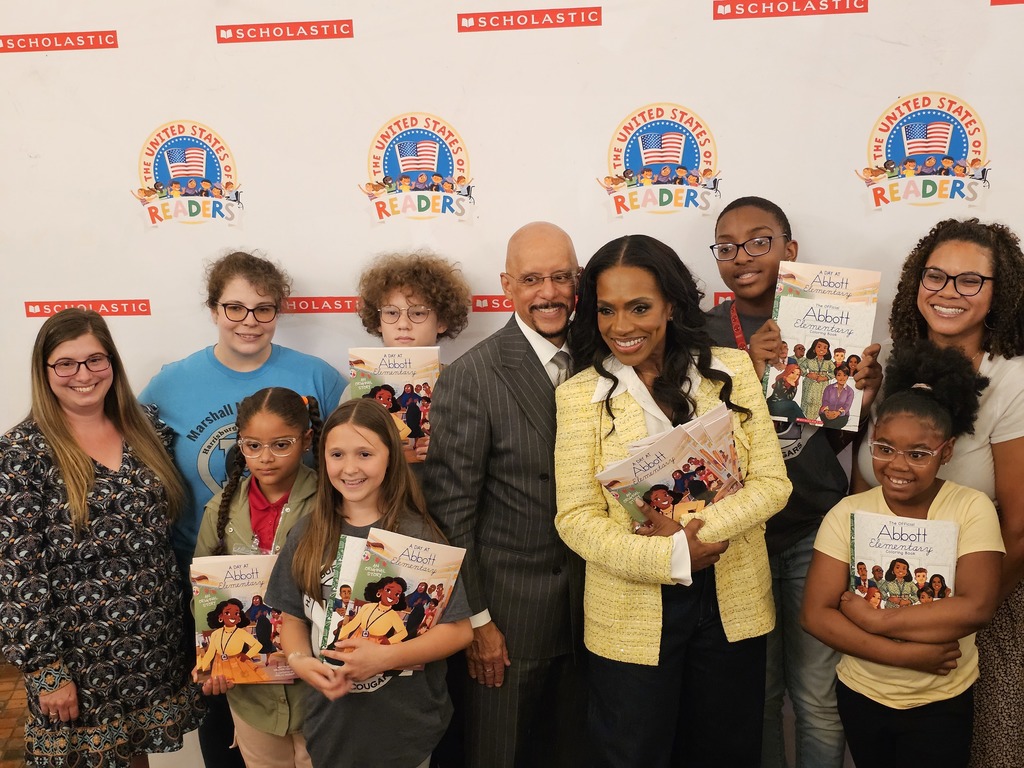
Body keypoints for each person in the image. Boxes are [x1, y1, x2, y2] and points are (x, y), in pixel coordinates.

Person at [555, 234, 792, 767]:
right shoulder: (578, 396)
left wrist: (695, 534)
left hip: (732, 599)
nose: (621, 326)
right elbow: (576, 518)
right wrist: (671, 554)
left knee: (725, 753)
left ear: (671, 305)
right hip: (628, 609)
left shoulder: (730, 370)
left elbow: (772, 485)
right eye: (607, 310)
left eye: (639, 307)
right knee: (632, 754)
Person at [140, 250, 344, 767]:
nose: (249, 321)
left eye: (263, 308)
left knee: (315, 724)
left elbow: (360, 452)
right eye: (234, 307)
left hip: (308, 590)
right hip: (212, 584)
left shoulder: (318, 377)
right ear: (214, 309)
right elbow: (135, 465)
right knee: (229, 722)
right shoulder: (169, 383)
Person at [705, 196, 881, 768]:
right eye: (727, 247)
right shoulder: (700, 333)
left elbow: (822, 446)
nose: (742, 257)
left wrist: (858, 402)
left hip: (813, 531)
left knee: (817, 697)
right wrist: (749, 372)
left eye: (760, 241)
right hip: (740, 537)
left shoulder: (831, 318)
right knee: (755, 695)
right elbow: (698, 445)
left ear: (791, 249)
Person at [851, 218, 1024, 767]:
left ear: (999, 295)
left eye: (970, 280)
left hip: (980, 605)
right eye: (936, 276)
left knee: (984, 749)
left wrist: (957, 620)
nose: (949, 291)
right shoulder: (890, 365)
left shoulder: (1012, 381)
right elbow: (863, 488)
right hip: (882, 599)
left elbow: (1019, 526)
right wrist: (877, 617)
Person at [0, 309, 202, 767]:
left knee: (136, 756)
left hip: (153, 639)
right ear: (43, 370)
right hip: (78, 652)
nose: (83, 374)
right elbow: (17, 576)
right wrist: (46, 671)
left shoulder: (147, 428)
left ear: (112, 362)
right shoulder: (21, 453)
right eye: (65, 363)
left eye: (95, 359)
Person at [423, 221, 586, 767]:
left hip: (595, 613)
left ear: (578, 280)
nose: (549, 293)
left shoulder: (603, 359)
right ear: (507, 285)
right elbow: (450, 516)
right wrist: (477, 622)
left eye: (561, 277)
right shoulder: (473, 375)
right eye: (532, 279)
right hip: (509, 623)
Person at [802, 341, 1004, 766]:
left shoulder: (971, 508)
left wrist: (876, 619)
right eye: (885, 448)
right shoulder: (848, 512)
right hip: (861, 693)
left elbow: (977, 606)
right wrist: (904, 653)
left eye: (918, 454)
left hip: (942, 697)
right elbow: (816, 615)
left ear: (946, 452)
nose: (898, 465)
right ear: (873, 440)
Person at [264, 399, 473, 768]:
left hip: (406, 728)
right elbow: (292, 618)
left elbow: (459, 632)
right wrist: (299, 660)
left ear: (390, 455)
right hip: (330, 725)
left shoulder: (419, 536)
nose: (350, 468)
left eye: (364, 454)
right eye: (337, 454)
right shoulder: (307, 533)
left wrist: (385, 658)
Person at [193, 387, 322, 768]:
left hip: (318, 688)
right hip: (252, 696)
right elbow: (202, 596)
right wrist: (212, 659)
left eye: (281, 445)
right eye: (252, 446)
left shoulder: (329, 502)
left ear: (306, 440)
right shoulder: (220, 509)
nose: (265, 458)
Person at [798, 337, 835, 419]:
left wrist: (825, 377)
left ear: (827, 351)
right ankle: (806, 418)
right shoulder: (809, 360)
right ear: (814, 349)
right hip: (810, 383)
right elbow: (800, 368)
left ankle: (815, 419)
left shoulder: (829, 362)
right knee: (808, 400)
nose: (822, 349)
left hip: (822, 385)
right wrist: (807, 374)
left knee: (820, 401)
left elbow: (835, 372)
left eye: (825, 348)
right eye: (819, 346)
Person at [819, 363, 853, 429]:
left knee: (831, 426)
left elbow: (847, 405)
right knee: (829, 425)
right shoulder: (829, 388)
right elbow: (825, 401)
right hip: (827, 413)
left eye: (844, 375)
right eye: (839, 375)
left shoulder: (850, 391)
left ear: (847, 377)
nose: (842, 378)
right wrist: (826, 411)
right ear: (835, 376)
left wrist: (838, 413)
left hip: (842, 416)